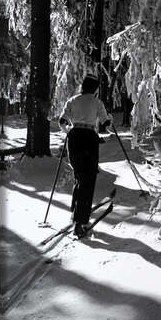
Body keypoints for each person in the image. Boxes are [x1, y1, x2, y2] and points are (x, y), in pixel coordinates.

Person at [59, 75, 112, 238]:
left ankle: (75, 212)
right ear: (95, 88)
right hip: (89, 140)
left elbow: (62, 121)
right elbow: (106, 122)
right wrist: (109, 121)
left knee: (79, 177)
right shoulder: (97, 102)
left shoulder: (73, 100)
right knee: (88, 181)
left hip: (74, 139)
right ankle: (80, 222)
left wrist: (69, 132)